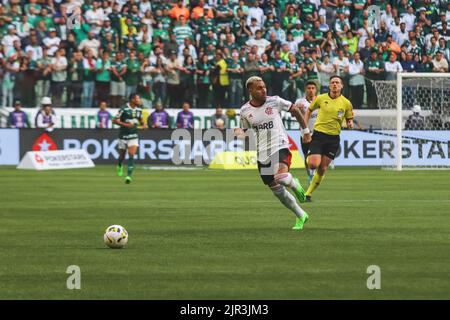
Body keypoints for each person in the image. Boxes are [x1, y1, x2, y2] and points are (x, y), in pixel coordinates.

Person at [234, 76, 312, 231]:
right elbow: (244, 129)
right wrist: (238, 132)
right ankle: (301, 215)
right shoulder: (245, 111)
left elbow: (295, 109)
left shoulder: (275, 101)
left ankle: (295, 185)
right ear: (250, 90)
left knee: (281, 177)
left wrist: (306, 131)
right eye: (259, 88)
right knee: (277, 190)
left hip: (280, 145)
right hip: (262, 153)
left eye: (264, 87)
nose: (263, 90)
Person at [304, 75, 354, 202]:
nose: (335, 84)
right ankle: (309, 159)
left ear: (341, 85)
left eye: (337, 82)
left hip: (333, 139)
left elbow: (349, 118)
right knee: (313, 164)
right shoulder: (320, 98)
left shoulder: (346, 103)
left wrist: (350, 123)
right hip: (319, 135)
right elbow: (309, 110)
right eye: (332, 82)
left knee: (323, 169)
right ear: (329, 85)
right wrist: (305, 128)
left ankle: (308, 194)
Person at [112, 93, 147, 184]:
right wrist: (126, 124)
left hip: (133, 135)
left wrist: (143, 125)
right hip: (123, 135)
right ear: (132, 100)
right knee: (122, 156)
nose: (139, 100)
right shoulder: (124, 109)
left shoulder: (139, 110)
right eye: (137, 98)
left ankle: (128, 176)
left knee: (131, 154)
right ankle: (119, 165)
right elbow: (114, 120)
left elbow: (141, 120)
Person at [295, 81, 318, 183]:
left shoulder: (320, 101)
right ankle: (310, 174)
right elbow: (293, 116)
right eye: (309, 88)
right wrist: (299, 111)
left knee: (314, 154)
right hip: (305, 133)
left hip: (318, 133)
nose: (311, 90)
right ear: (305, 90)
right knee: (306, 156)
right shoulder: (300, 102)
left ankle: (313, 175)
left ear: (316, 90)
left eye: (313, 88)